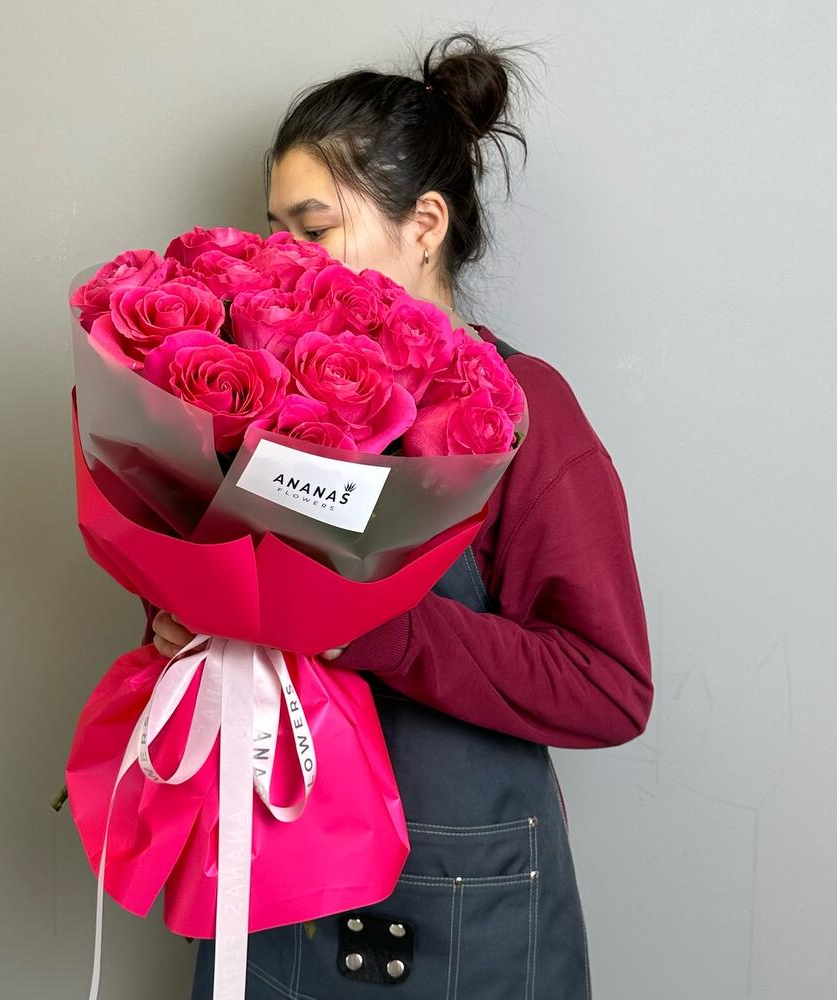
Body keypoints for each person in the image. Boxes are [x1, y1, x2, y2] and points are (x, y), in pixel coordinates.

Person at [145, 30, 654, 1000]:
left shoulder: (527, 413)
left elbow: (607, 686)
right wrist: (189, 629)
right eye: (272, 230)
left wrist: (374, 626)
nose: (280, 260)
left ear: (424, 223)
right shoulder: (258, 399)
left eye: (313, 229)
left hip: (451, 906)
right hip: (271, 884)